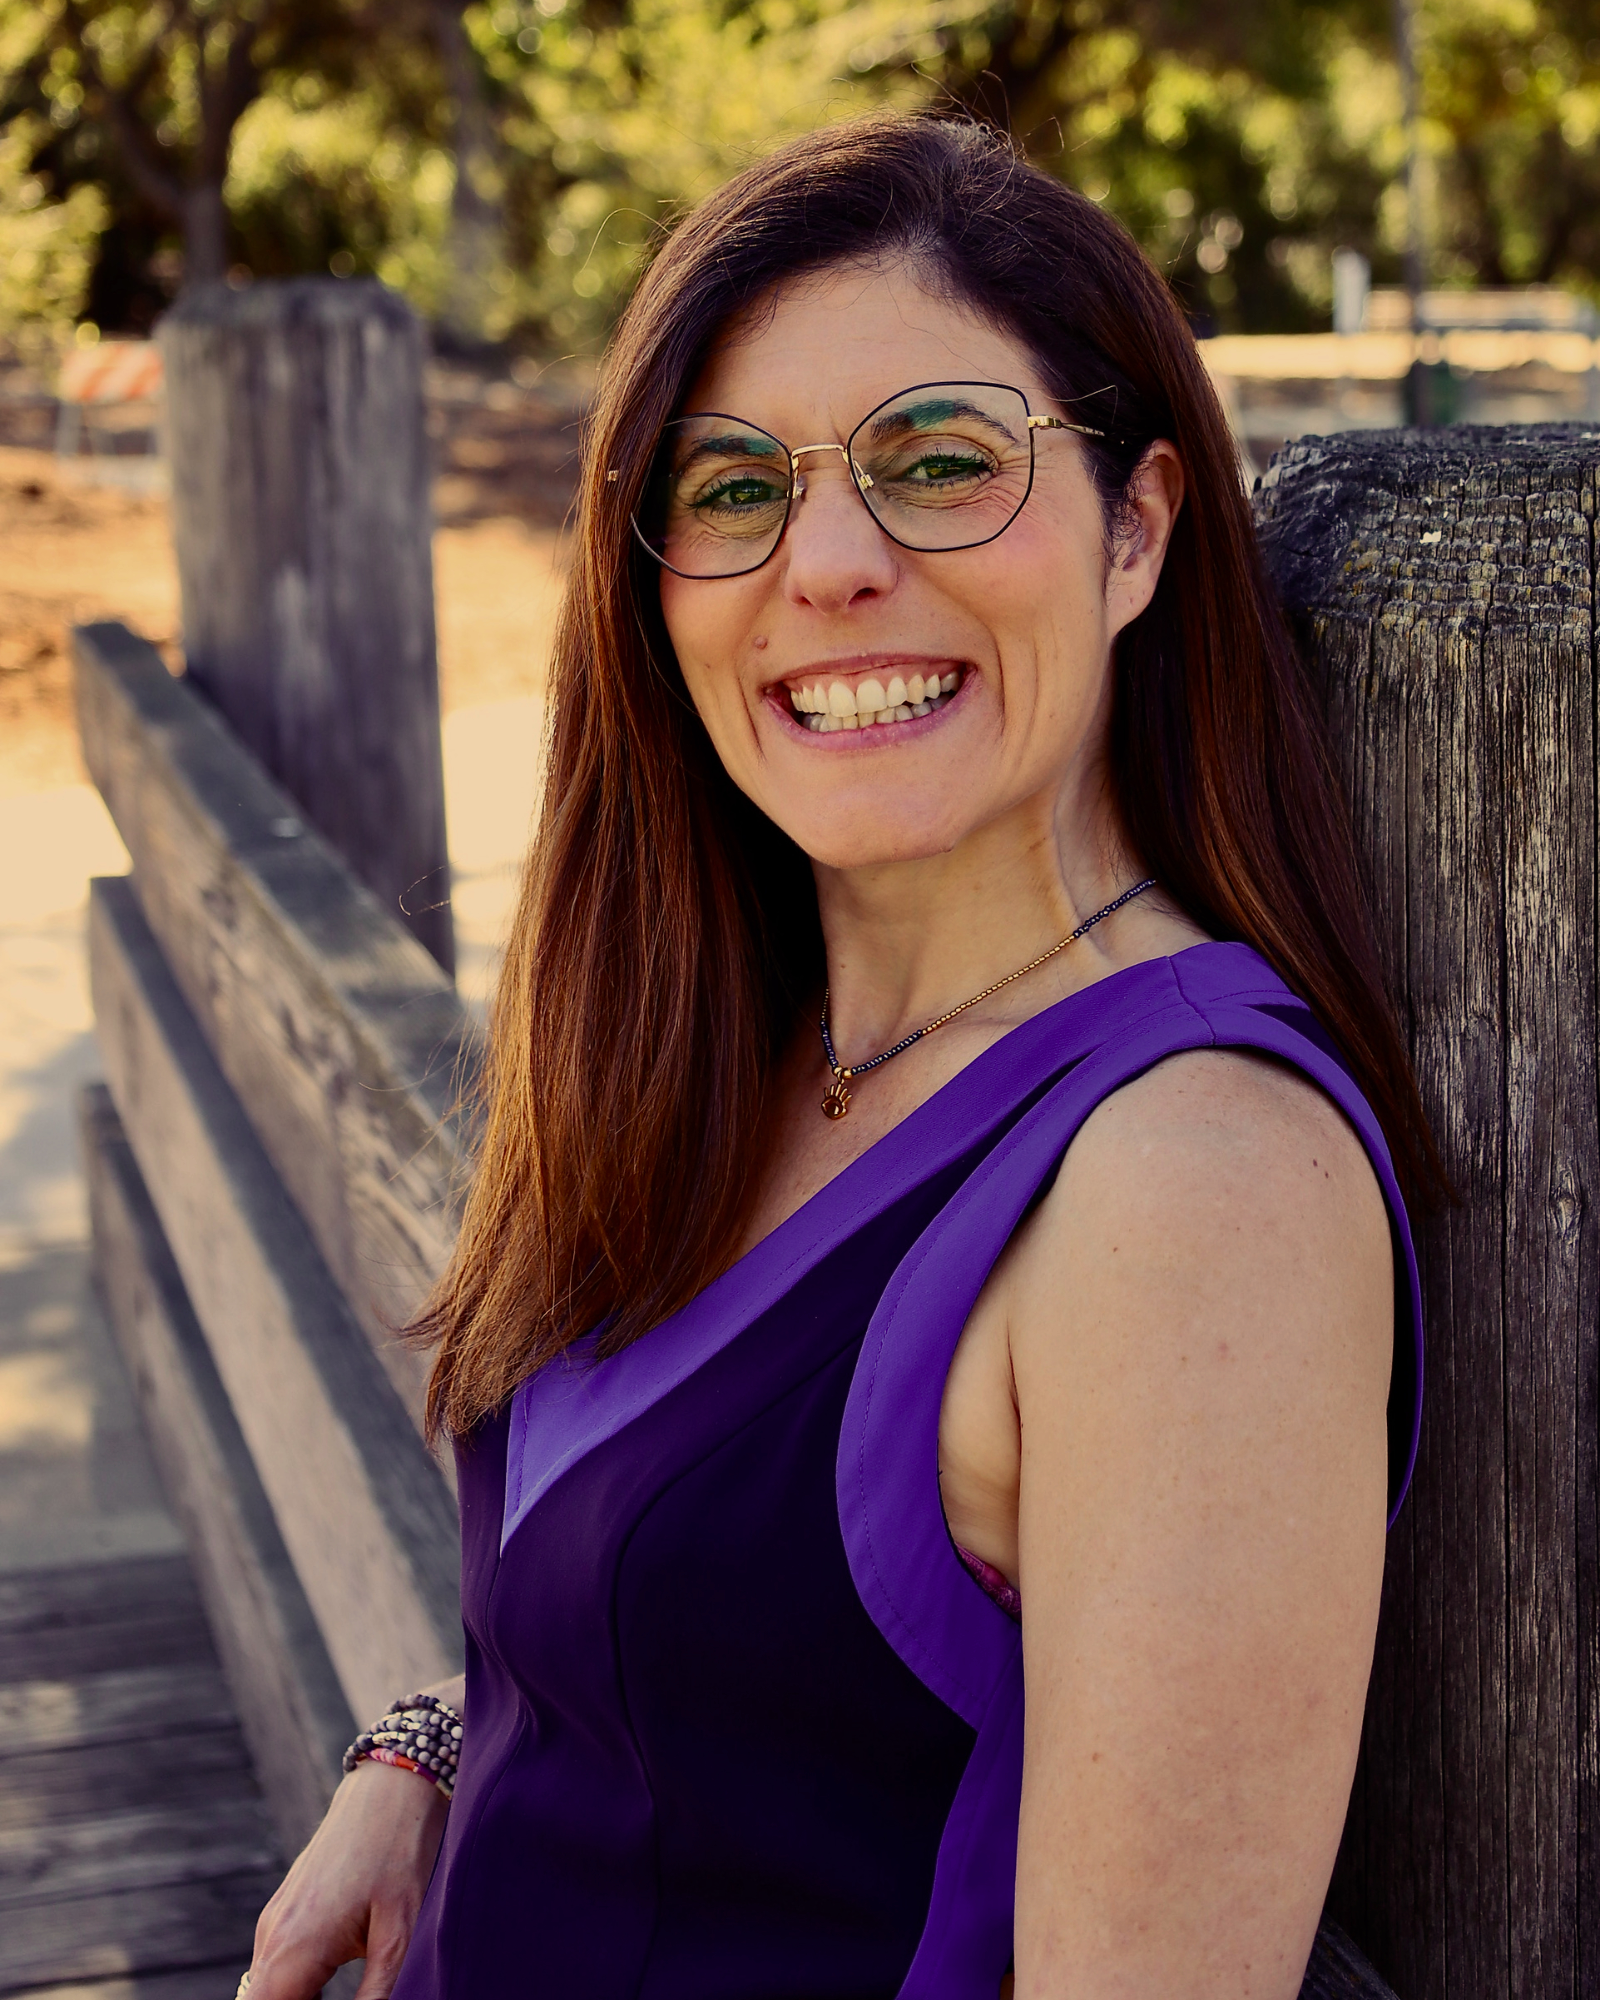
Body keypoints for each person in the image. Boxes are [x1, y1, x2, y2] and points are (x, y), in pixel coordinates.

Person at [244, 112, 1434, 2000]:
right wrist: (432, 1751)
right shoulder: (726, 1039)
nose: (829, 567)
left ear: (1136, 530)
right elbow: (725, 1649)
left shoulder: (1194, 1186)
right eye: (730, 489)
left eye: (942, 461)